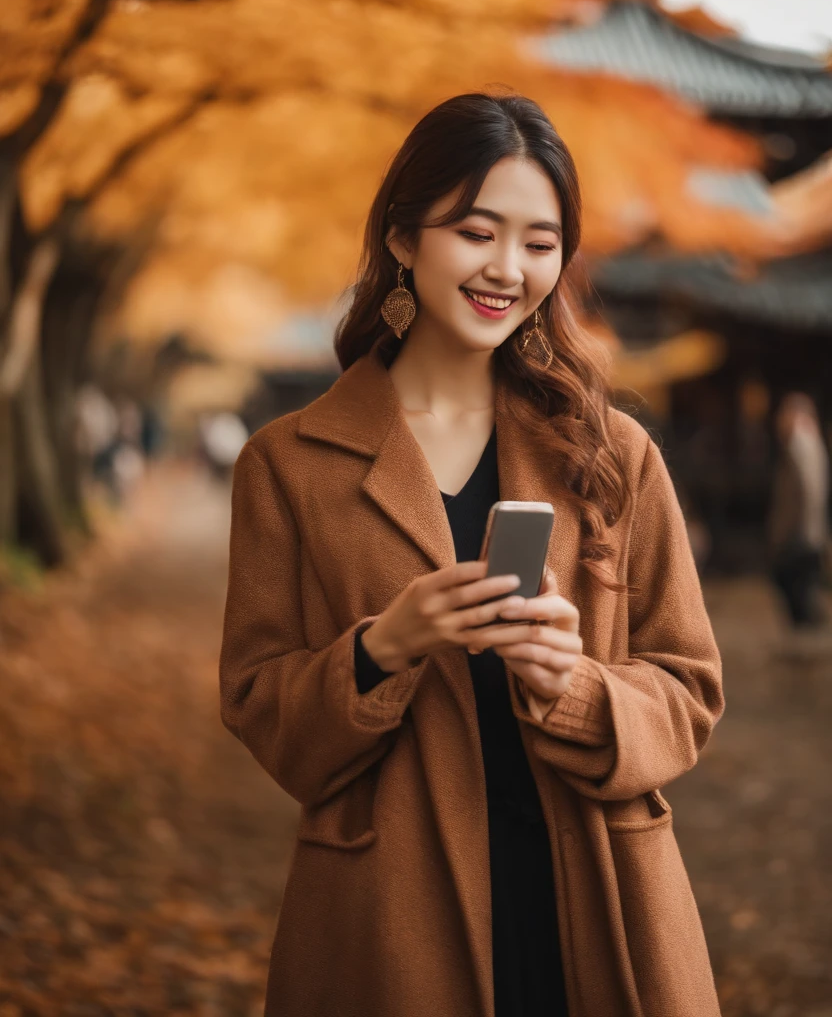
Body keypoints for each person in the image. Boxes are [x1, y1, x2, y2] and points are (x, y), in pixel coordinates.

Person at [219, 93, 725, 1017]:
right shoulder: (287, 465)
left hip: (599, 890)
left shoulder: (612, 454)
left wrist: (572, 682)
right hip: (389, 913)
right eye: (477, 231)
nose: (508, 268)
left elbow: (689, 691)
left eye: (540, 242)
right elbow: (261, 710)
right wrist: (384, 647)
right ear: (405, 240)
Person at [768, 392, 830, 636]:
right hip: (805, 534)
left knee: (799, 593)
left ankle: (808, 642)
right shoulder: (808, 441)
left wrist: (792, 533)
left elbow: (807, 494)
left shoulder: (801, 443)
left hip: (799, 536)